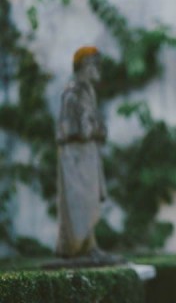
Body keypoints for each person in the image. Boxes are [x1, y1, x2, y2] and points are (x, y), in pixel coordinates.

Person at [55, 46, 107, 258]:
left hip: (86, 155)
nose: (98, 70)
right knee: (78, 204)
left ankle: (89, 245)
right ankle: (76, 248)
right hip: (74, 157)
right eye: (96, 65)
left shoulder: (87, 91)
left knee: (89, 202)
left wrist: (97, 129)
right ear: (85, 66)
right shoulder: (73, 93)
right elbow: (70, 129)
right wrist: (95, 129)